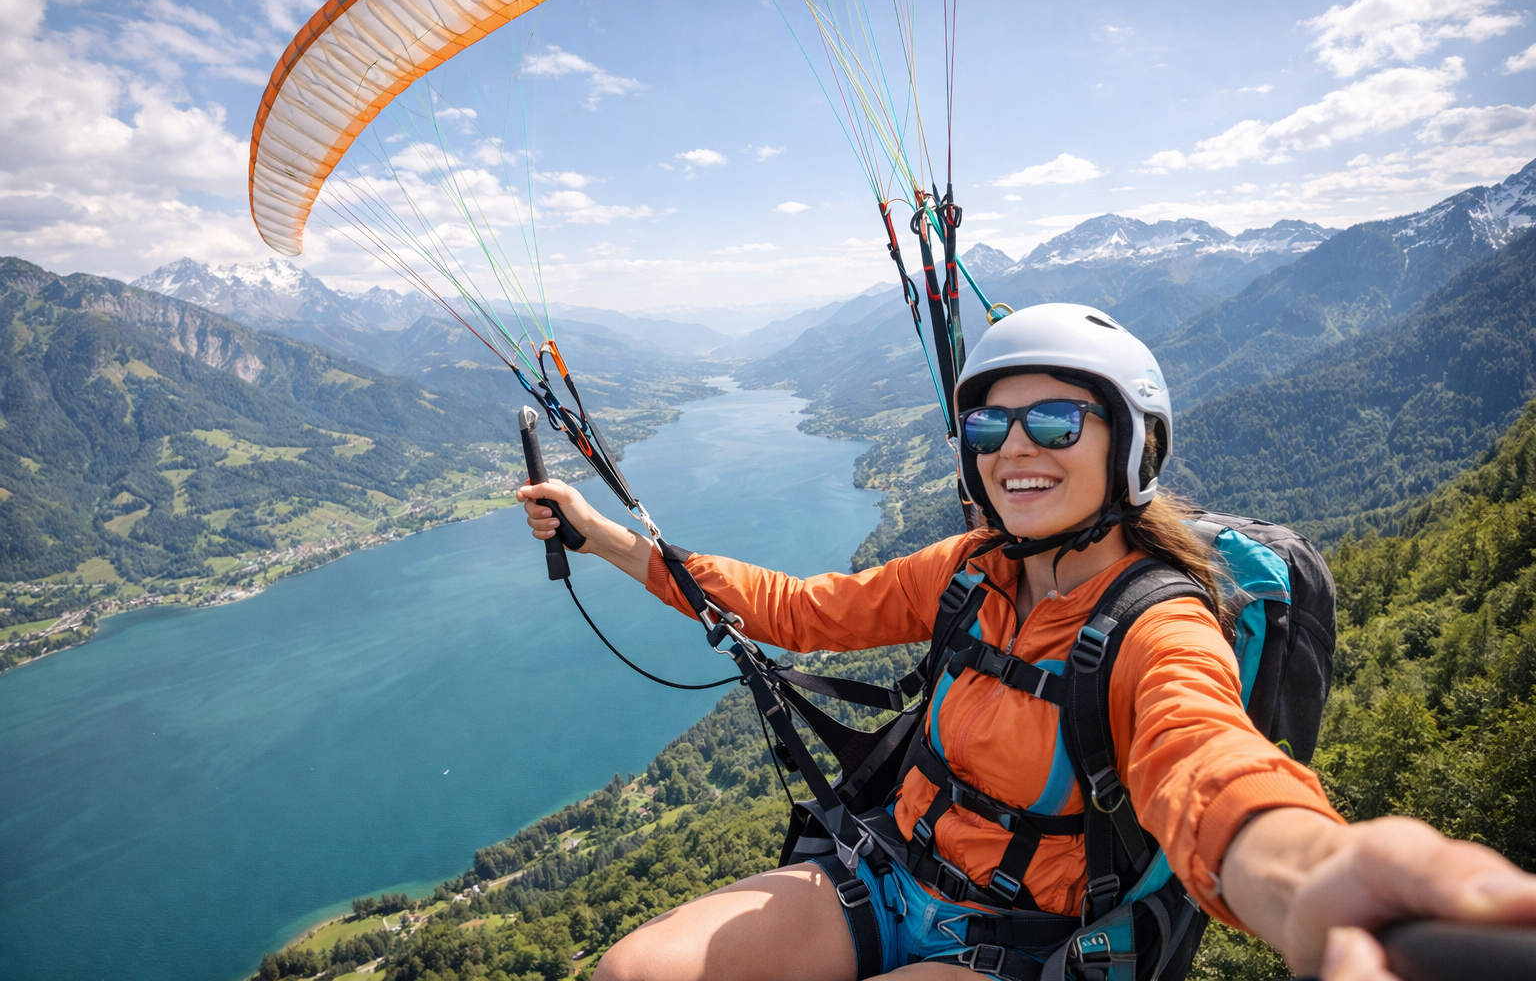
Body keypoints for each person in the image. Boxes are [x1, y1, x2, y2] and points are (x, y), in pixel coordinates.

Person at [518, 304, 1536, 981]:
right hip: (881, 875)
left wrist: (1311, 874)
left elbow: (1209, 764)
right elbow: (800, 609)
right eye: (989, 427)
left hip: (1011, 946)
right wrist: (599, 532)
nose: (1014, 448)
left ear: (1127, 444)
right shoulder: (972, 566)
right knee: (633, 971)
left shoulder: (1158, 623)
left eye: (1057, 421)